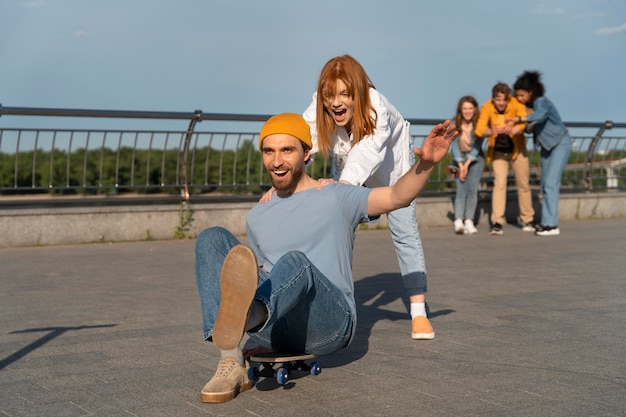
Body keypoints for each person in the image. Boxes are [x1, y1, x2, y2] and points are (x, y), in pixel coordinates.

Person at [195, 112, 457, 403]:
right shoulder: (258, 214)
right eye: (269, 152)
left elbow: (397, 196)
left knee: (295, 261)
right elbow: (259, 276)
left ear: (307, 153)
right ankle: (231, 360)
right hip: (276, 326)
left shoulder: (336, 196)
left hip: (330, 324)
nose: (277, 161)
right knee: (212, 238)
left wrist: (427, 163)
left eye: (287, 150)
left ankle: (249, 317)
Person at [302, 55, 434, 340]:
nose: (335, 103)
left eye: (344, 95)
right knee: (336, 229)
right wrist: (283, 180)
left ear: (357, 93)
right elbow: (304, 140)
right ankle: (329, 305)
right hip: (348, 167)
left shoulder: (376, 105)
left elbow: (368, 151)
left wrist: (344, 186)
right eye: (329, 96)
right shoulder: (319, 105)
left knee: (404, 232)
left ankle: (419, 311)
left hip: (393, 171)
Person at [509, 70, 572, 236]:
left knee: (551, 183)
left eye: (522, 95)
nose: (519, 99)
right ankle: (547, 221)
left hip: (560, 143)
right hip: (546, 146)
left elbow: (542, 115)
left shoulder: (542, 102)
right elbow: (531, 128)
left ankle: (551, 225)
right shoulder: (530, 109)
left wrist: (520, 118)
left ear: (531, 92)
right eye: (517, 96)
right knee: (545, 184)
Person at [475, 82, 535, 235]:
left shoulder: (515, 104)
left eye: (504, 99)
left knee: (523, 184)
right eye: (498, 99)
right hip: (498, 151)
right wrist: (492, 130)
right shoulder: (487, 107)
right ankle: (497, 222)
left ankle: (527, 219)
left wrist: (512, 129)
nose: (501, 103)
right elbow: (480, 129)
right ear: (493, 99)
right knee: (499, 184)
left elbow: (522, 124)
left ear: (508, 99)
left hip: (517, 149)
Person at [450, 95, 485, 234]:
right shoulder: (454, 123)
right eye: (465, 108)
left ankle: (469, 220)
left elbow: (477, 145)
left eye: (470, 108)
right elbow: (453, 144)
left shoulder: (479, 124)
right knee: (461, 189)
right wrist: (460, 164)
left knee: (472, 189)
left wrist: (467, 164)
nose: (467, 111)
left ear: (475, 109)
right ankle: (458, 220)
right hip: (458, 159)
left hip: (476, 159)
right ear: (460, 110)